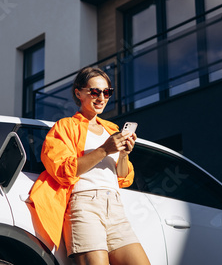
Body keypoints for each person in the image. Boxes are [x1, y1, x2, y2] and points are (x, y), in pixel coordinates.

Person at [28, 67, 150, 265]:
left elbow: (123, 178)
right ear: (78, 93)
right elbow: (63, 171)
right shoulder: (65, 126)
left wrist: (124, 154)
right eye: (94, 91)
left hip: (115, 207)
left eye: (107, 92)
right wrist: (104, 149)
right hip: (85, 205)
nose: (101, 97)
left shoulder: (111, 129)